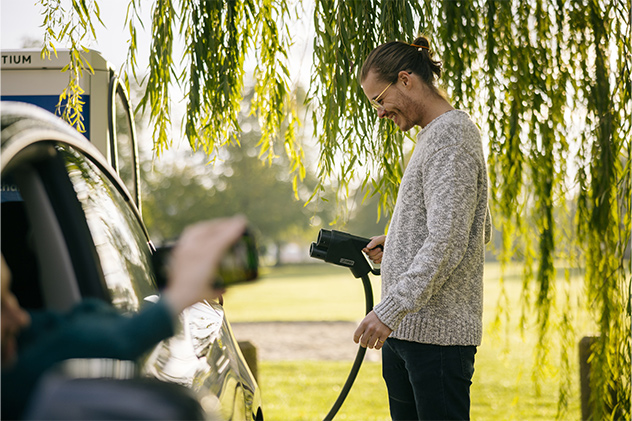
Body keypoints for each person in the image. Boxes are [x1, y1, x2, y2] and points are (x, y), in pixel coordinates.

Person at [352, 36, 492, 421]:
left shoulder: (452, 136)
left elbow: (450, 240)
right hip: (407, 334)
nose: (379, 112)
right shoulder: (433, 136)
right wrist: (395, 242)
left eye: (379, 99)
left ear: (406, 80)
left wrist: (388, 310)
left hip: (437, 341)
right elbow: (471, 226)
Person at [1, 216, 248, 420]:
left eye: (10, 294)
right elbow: (57, 352)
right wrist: (174, 300)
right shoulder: (18, 385)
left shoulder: (26, 335)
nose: (20, 319)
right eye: (0, 306)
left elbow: (55, 327)